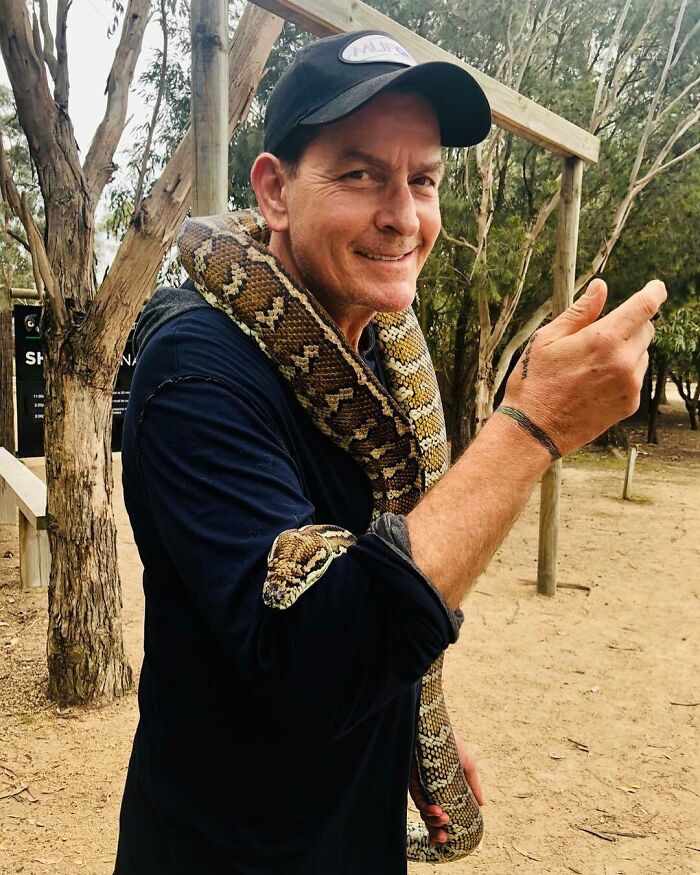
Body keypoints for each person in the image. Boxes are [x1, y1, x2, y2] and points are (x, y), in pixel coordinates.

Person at [113, 29, 665, 875]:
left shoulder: (368, 336)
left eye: (424, 180)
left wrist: (406, 727)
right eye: (362, 173)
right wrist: (530, 429)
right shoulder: (195, 373)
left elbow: (379, 604)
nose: (402, 215)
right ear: (274, 192)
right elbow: (311, 664)